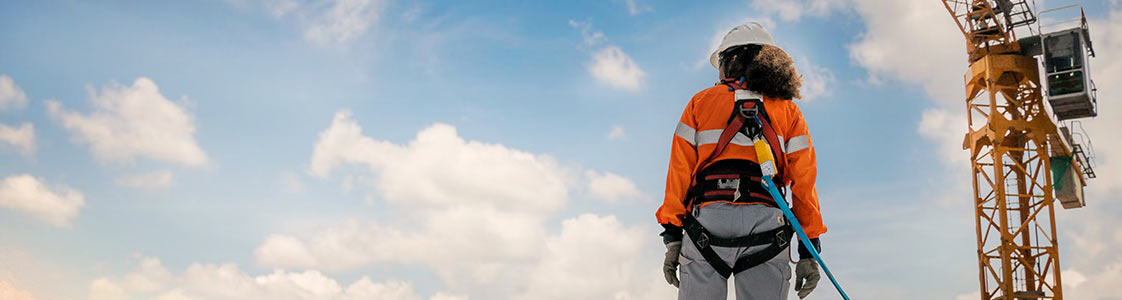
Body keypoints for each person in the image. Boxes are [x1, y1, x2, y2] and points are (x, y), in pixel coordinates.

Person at [656, 22, 827, 300]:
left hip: (708, 222)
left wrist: (673, 235)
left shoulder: (700, 103)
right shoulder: (789, 111)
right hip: (768, 224)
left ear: (731, 61)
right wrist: (808, 247)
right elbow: (804, 184)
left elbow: (679, 172)